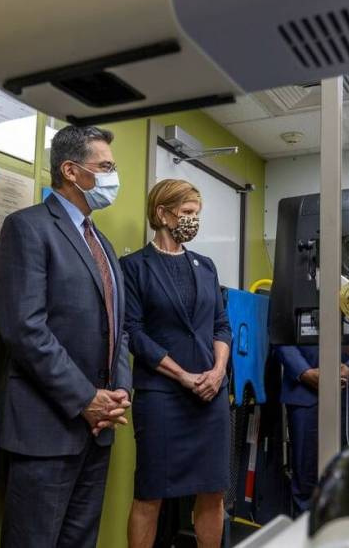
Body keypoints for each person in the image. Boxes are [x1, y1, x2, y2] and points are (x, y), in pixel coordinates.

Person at [0, 125, 132, 548]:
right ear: (71, 171)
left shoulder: (102, 243)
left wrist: (119, 393)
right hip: (46, 428)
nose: (113, 176)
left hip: (99, 428)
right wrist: (84, 399)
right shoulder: (28, 228)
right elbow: (25, 329)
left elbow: (118, 327)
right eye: (105, 167)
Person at [121, 179, 232, 548]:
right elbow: (134, 332)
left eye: (196, 214)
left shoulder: (206, 266)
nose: (192, 221)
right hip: (162, 397)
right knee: (151, 492)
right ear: (162, 213)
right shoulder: (134, 267)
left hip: (210, 396)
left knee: (213, 490)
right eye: (186, 213)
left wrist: (217, 373)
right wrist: (183, 376)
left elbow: (221, 325)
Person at [275, 346, 349, 513]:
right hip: (304, 394)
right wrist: (304, 372)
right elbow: (282, 338)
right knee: (305, 478)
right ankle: (305, 532)